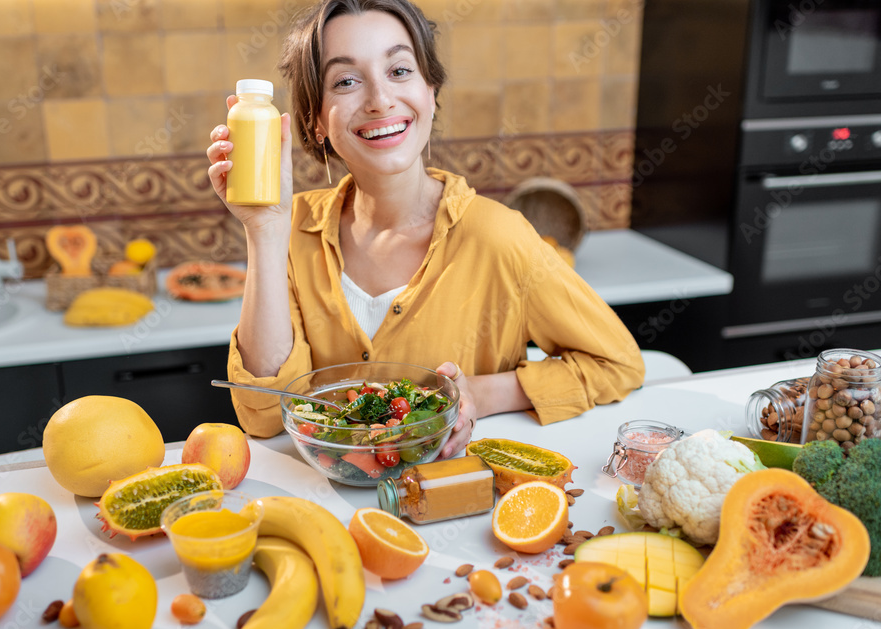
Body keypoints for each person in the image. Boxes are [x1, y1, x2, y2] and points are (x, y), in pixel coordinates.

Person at [206, 0, 644, 458]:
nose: (379, 99)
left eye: (399, 70)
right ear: (315, 120)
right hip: (329, 504)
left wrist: (479, 393)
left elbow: (616, 363)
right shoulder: (292, 228)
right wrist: (265, 229)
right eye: (346, 81)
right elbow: (262, 412)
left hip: (457, 508)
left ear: (430, 90)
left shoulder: (499, 237)